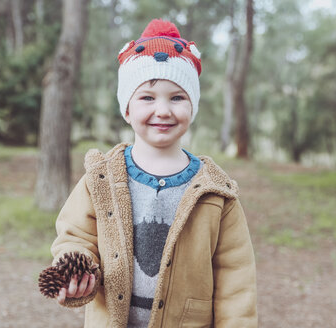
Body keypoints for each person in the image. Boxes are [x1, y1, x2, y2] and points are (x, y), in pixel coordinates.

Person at [50, 18, 257, 327]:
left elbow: (235, 278)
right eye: (147, 97)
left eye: (177, 97)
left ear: (192, 106)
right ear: (128, 108)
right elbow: (76, 236)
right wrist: (78, 271)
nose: (163, 110)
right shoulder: (101, 178)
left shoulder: (216, 192)